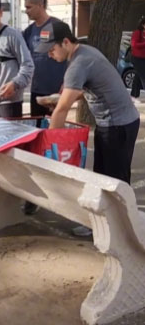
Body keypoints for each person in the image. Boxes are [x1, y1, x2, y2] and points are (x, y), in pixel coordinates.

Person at [36, 21, 140, 236]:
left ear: (65, 42)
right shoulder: (83, 52)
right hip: (113, 123)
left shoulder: (78, 64)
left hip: (118, 125)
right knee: (102, 177)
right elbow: (86, 91)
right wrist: (59, 100)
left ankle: (124, 233)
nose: (49, 55)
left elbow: (62, 110)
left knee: (116, 183)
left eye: (52, 49)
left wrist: (50, 147)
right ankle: (100, 224)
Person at [22, 0, 67, 215]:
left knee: (56, 142)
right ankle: (35, 196)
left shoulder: (59, 27)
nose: (26, 10)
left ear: (40, 5)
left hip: (59, 95)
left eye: (29, 7)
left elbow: (71, 57)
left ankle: (60, 193)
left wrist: (65, 89)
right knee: (37, 142)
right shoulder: (28, 32)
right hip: (36, 94)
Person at [130, 16, 145, 103]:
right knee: (143, 76)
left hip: (144, 58)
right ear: (143, 25)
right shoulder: (137, 33)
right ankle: (134, 95)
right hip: (137, 58)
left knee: (138, 76)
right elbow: (134, 44)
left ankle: (133, 95)